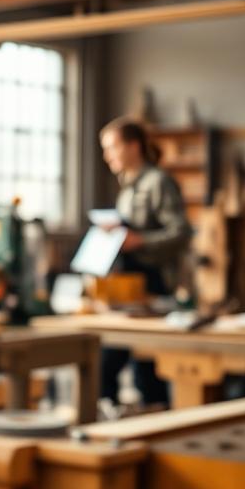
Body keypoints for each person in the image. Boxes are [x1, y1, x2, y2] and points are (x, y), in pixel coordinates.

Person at [98, 116, 191, 412]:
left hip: (154, 286)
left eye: (112, 147)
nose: (107, 155)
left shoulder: (157, 182)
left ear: (133, 146)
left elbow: (181, 232)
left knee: (141, 365)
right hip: (129, 286)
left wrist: (139, 241)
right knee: (130, 365)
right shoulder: (127, 186)